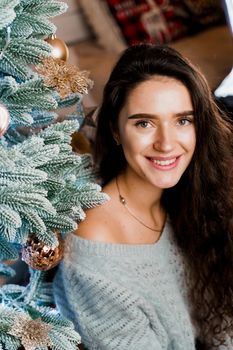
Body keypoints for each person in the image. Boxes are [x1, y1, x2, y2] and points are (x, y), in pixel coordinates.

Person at [53, 44, 233, 350]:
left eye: (182, 121)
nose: (166, 143)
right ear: (115, 129)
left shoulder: (197, 192)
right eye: (144, 123)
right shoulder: (95, 253)